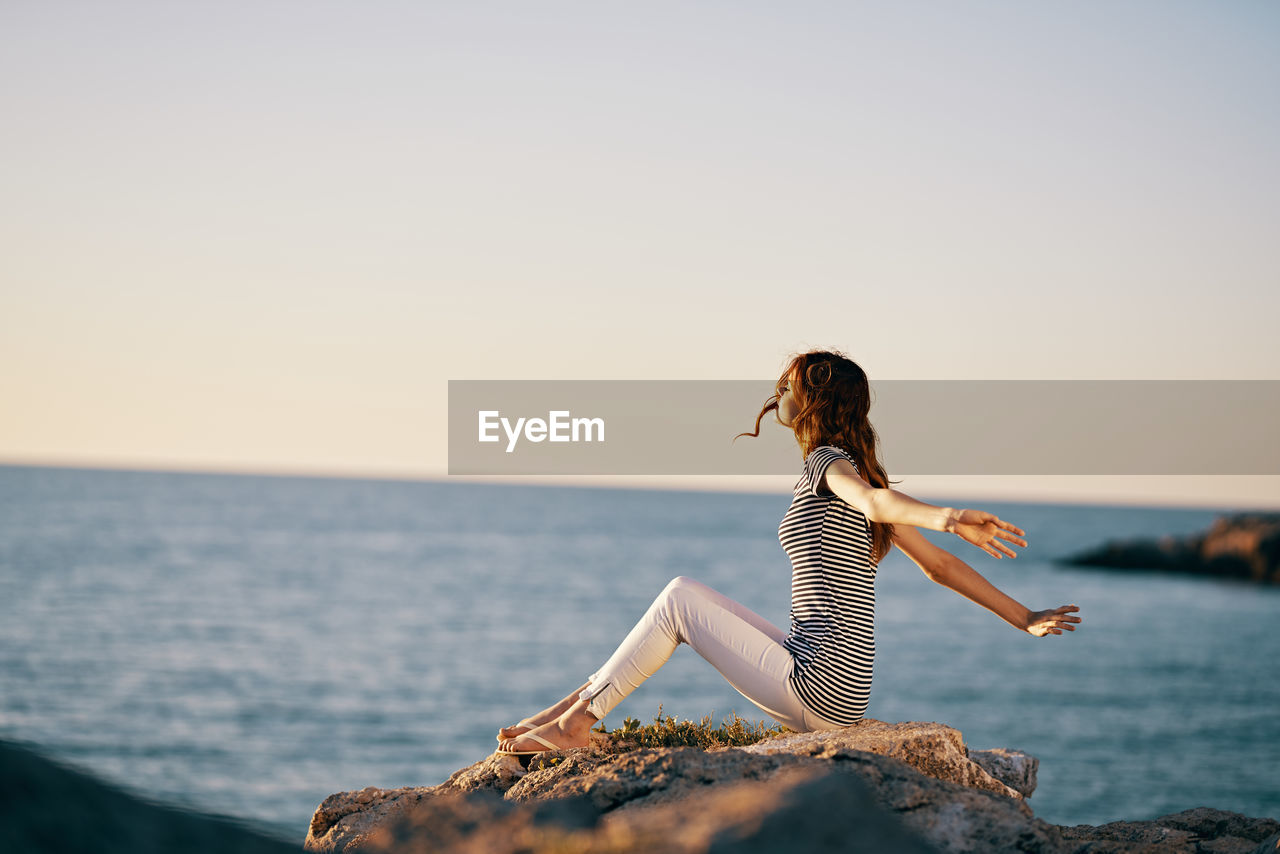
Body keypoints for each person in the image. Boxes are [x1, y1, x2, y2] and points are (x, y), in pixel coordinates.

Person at [496, 349, 1081, 755]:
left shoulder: (829, 464)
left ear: (816, 400)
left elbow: (885, 514)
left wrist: (950, 517)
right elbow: (939, 569)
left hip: (819, 687)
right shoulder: (855, 470)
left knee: (677, 600)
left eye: (791, 384)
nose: (779, 391)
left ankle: (574, 725)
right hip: (829, 679)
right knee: (685, 598)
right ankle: (557, 718)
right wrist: (1022, 616)